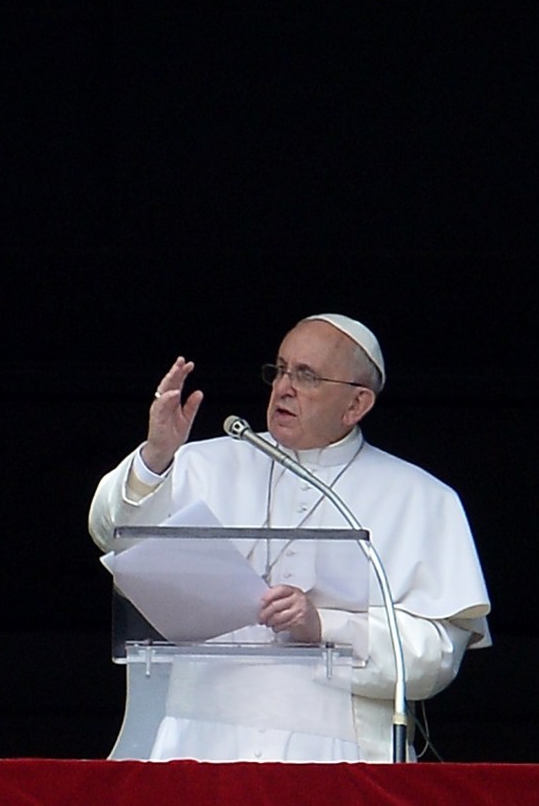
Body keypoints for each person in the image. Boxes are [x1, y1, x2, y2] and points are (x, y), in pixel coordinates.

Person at [89, 314, 491, 762]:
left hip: (340, 758)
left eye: (307, 376)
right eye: (280, 370)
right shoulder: (202, 463)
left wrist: (322, 627)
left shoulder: (420, 498)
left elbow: (435, 656)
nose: (284, 387)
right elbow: (115, 536)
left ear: (356, 404)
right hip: (197, 747)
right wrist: (155, 457)